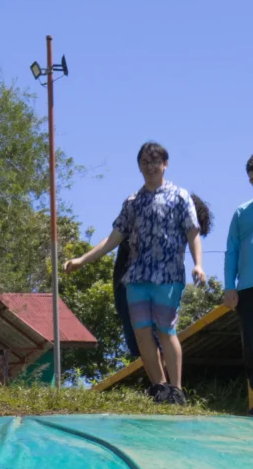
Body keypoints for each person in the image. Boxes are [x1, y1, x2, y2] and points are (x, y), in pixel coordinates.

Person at [65, 142, 205, 405]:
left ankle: (176, 389)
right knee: (141, 332)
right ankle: (159, 387)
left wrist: (198, 264)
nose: (150, 167)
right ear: (139, 167)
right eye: (144, 162)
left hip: (168, 275)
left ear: (165, 164)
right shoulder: (133, 201)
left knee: (165, 330)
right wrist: (83, 260)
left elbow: (193, 232)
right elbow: (115, 237)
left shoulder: (180, 196)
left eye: (155, 162)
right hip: (136, 277)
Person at [114, 193, 213, 369]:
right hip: (128, 280)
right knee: (139, 339)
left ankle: (168, 387)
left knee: (159, 336)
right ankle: (161, 386)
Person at [223, 155, 253, 415]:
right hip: (247, 289)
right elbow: (231, 250)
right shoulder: (242, 212)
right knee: (251, 347)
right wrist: (228, 286)